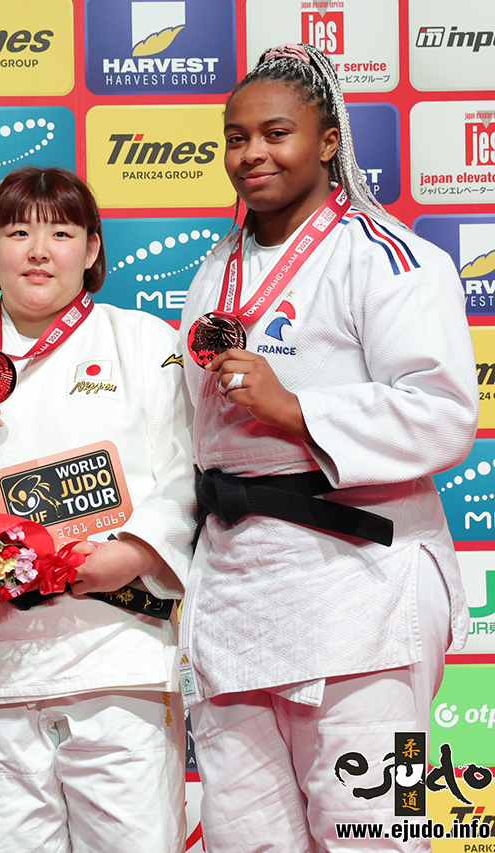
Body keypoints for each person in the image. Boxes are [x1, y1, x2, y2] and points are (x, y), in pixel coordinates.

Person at [178, 44, 478, 851]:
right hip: (240, 590)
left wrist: (297, 409)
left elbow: (445, 411)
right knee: (249, 840)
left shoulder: (392, 255)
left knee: (380, 833)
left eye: (276, 133)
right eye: (236, 137)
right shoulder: (218, 269)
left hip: (362, 586)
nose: (252, 154)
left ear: (328, 141)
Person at [0, 166, 196, 853]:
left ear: (94, 249)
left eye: (61, 232)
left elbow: (190, 471)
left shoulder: (143, 340)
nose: (39, 251)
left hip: (119, 647)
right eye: (17, 232)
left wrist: (130, 553)